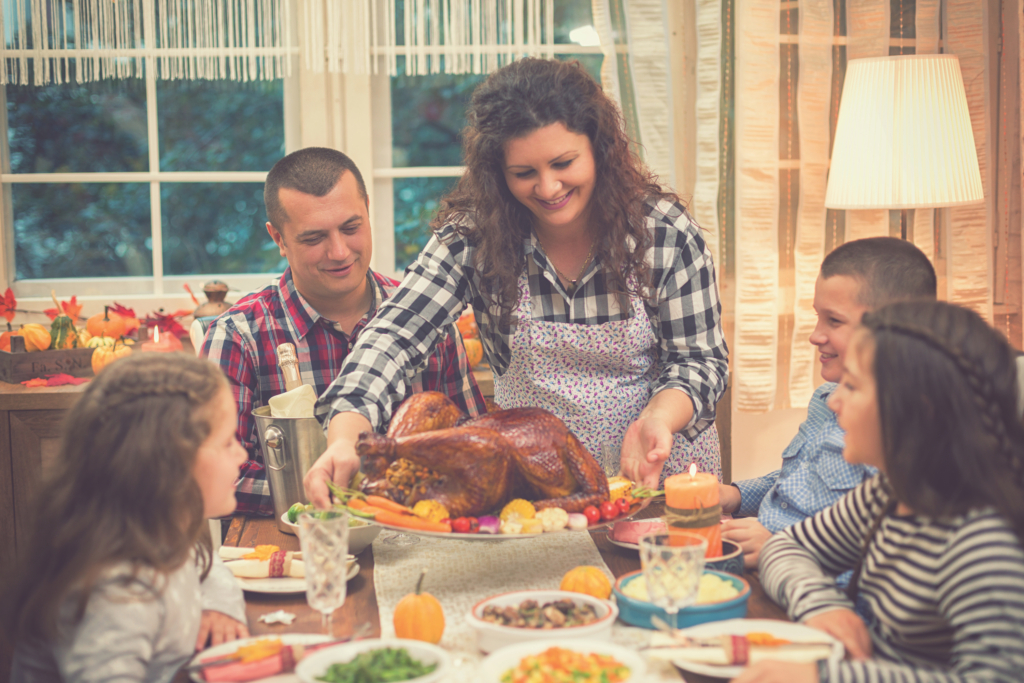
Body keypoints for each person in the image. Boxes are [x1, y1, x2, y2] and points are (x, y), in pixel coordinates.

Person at [305, 57, 729, 508]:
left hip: (659, 477)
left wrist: (658, 418)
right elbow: (392, 338)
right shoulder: (473, 237)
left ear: (599, 150)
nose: (548, 188)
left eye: (564, 163)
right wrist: (345, 437)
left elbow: (700, 361)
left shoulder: (663, 233)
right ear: (495, 171)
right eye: (523, 173)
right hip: (533, 492)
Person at [735, 300, 1024, 683]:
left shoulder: (979, 543)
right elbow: (785, 546)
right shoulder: (889, 494)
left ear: (917, 411)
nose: (834, 400)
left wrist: (825, 677)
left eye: (852, 385)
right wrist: (822, 606)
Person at [202, 147, 487, 516]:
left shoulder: (426, 318)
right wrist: (345, 494)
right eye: (313, 238)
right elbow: (212, 476)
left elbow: (472, 447)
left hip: (420, 540)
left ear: (368, 209)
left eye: (351, 228)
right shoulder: (237, 336)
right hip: (292, 550)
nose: (339, 252)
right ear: (278, 239)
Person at [3, 353, 249, 682]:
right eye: (227, 441)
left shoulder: (165, 535)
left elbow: (207, 566)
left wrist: (220, 606)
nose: (242, 454)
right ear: (170, 463)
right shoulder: (115, 593)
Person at [720, 237, 936, 569]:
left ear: (894, 327)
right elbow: (797, 480)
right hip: (761, 561)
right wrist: (735, 495)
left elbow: (876, 559)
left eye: (833, 321)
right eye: (818, 317)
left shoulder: (904, 434)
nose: (815, 335)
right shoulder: (825, 398)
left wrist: (779, 548)